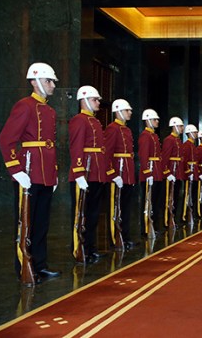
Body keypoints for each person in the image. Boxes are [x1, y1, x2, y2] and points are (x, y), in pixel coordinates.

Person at [0, 62, 61, 282]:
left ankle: (40, 265)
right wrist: (16, 170)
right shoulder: (24, 106)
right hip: (28, 172)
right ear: (35, 82)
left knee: (42, 223)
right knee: (25, 223)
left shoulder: (50, 110)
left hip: (44, 175)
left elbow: (49, 145)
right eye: (48, 81)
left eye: (52, 81)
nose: (52, 85)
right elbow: (7, 139)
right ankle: (24, 267)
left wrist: (53, 174)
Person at [69, 85, 115, 264]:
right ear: (85, 100)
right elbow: (76, 147)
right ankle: (78, 249)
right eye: (95, 100)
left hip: (96, 174)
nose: (98, 103)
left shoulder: (95, 122)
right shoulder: (79, 120)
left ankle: (90, 247)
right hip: (85, 174)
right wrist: (79, 172)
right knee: (81, 214)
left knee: (94, 214)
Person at [104, 99, 135, 250]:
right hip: (117, 175)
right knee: (115, 208)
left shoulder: (127, 130)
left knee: (126, 208)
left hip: (127, 174)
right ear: (118, 111)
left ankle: (125, 236)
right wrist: (112, 174)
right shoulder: (112, 129)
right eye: (127, 110)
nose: (130, 113)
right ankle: (114, 237)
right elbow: (107, 153)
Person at [138, 108, 164, 235]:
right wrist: (147, 173)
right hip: (150, 173)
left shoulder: (153, 136)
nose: (157, 121)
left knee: (156, 201)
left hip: (157, 173)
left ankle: (154, 225)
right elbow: (144, 156)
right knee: (148, 202)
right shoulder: (145, 136)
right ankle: (146, 228)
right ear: (148, 120)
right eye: (155, 119)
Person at [161, 116, 184, 228]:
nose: (182, 128)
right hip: (171, 173)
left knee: (175, 198)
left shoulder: (178, 140)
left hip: (178, 173)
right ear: (174, 126)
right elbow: (165, 158)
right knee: (168, 199)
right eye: (180, 126)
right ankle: (167, 221)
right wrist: (167, 173)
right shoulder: (169, 140)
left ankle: (173, 219)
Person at [181, 124, 199, 224]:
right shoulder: (186, 145)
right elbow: (184, 161)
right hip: (189, 174)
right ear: (190, 133)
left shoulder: (193, 145)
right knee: (188, 195)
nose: (196, 134)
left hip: (194, 172)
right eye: (195, 132)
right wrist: (188, 172)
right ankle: (184, 216)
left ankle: (192, 214)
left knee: (193, 194)